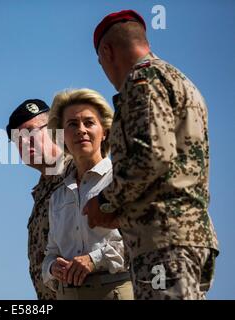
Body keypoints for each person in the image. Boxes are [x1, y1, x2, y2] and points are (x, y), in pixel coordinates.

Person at [84, 10, 219, 299]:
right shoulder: (178, 80)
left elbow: (152, 157)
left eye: (100, 63)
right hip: (186, 239)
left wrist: (105, 203)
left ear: (107, 52)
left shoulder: (141, 80)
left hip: (162, 244)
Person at [42, 88, 133, 300]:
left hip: (115, 292)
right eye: (72, 124)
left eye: (89, 123)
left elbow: (139, 241)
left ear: (105, 132)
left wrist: (94, 259)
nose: (81, 130)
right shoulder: (58, 197)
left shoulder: (122, 180)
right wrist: (53, 267)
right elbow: (50, 253)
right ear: (62, 136)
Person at [7, 99, 73, 299]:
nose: (24, 142)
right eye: (18, 138)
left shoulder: (82, 174)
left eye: (30, 132)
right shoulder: (42, 191)